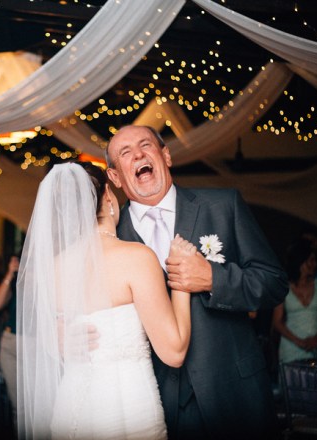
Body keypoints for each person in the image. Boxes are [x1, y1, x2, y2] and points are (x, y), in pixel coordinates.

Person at [105, 125, 288, 439]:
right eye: (125, 152)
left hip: (234, 392)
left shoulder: (223, 205)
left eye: (146, 145)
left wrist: (214, 279)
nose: (138, 154)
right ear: (115, 177)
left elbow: (274, 283)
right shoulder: (111, 238)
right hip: (157, 404)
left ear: (166, 156)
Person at [17, 162, 193, 439]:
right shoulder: (136, 257)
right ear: (108, 196)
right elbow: (174, 352)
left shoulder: (54, 268)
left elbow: (50, 340)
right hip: (128, 409)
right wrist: (181, 277)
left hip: (71, 407)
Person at [273, 239, 317, 363]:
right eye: (311, 260)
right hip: (291, 350)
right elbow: (277, 322)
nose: (315, 264)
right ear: (300, 261)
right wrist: (299, 342)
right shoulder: (284, 287)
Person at [0, 255, 19, 412]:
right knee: (16, 403)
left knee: (33, 403)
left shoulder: (48, 278)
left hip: (35, 343)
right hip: (10, 341)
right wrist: (10, 274)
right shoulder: (15, 283)